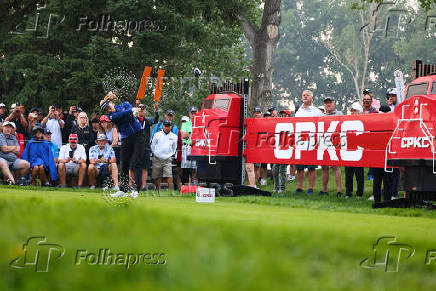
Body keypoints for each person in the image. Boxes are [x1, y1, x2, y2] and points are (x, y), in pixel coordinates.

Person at [100, 92, 146, 196]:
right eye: (106, 110)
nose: (108, 110)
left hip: (139, 135)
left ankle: (136, 191)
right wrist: (131, 110)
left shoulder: (125, 104)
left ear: (111, 102)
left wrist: (134, 110)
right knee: (124, 163)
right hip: (126, 138)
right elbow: (122, 114)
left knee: (137, 162)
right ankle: (123, 190)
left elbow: (129, 111)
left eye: (108, 107)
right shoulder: (111, 116)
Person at [294, 90, 323, 195]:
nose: (305, 96)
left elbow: (321, 126)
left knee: (311, 167)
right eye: (303, 95)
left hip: (312, 141)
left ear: (312, 98)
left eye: (307, 95)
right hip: (300, 142)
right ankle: (299, 187)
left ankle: (310, 188)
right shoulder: (298, 111)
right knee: (300, 167)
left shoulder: (317, 111)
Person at [320, 97, 343, 196]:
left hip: (335, 143)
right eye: (326, 103)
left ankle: (339, 191)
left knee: (335, 166)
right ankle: (324, 190)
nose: (328, 104)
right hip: (324, 143)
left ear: (334, 103)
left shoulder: (339, 114)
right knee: (324, 167)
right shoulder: (321, 115)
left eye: (330, 102)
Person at [136, 102, 159, 190]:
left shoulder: (147, 121)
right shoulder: (134, 120)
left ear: (145, 111)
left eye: (143, 110)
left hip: (145, 147)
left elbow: (155, 120)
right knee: (135, 167)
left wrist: (156, 110)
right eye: (140, 109)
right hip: (136, 147)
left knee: (145, 167)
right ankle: (135, 184)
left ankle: (143, 186)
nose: (141, 111)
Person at [344, 103, 364, 199]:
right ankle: (348, 192)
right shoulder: (347, 122)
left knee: (359, 174)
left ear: (360, 112)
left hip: (359, 152)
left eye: (354, 110)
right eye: (351, 110)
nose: (352, 112)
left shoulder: (364, 122)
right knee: (348, 173)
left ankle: (359, 193)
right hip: (349, 151)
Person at [151, 120, 178, 190]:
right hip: (157, 157)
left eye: (168, 126)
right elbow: (152, 145)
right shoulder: (157, 134)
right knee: (157, 175)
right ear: (163, 126)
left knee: (169, 175)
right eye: (165, 126)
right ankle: (158, 190)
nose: (167, 127)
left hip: (167, 158)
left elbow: (174, 148)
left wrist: (170, 155)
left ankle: (171, 191)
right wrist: (155, 153)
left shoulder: (174, 136)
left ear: (171, 127)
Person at [245, 107, 263, 187]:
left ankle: (254, 185)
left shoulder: (265, 122)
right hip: (250, 147)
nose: (256, 114)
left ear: (261, 114)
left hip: (259, 148)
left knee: (257, 168)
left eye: (258, 112)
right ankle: (250, 185)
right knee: (249, 167)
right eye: (255, 112)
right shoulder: (249, 122)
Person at [180, 106, 198, 185]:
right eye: (192, 113)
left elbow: (201, 135)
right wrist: (194, 135)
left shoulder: (201, 123)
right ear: (189, 114)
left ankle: (194, 185)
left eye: (195, 113)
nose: (193, 114)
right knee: (186, 167)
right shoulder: (186, 124)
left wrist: (190, 135)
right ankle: (185, 185)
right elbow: (184, 135)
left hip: (196, 147)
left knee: (195, 167)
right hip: (187, 147)